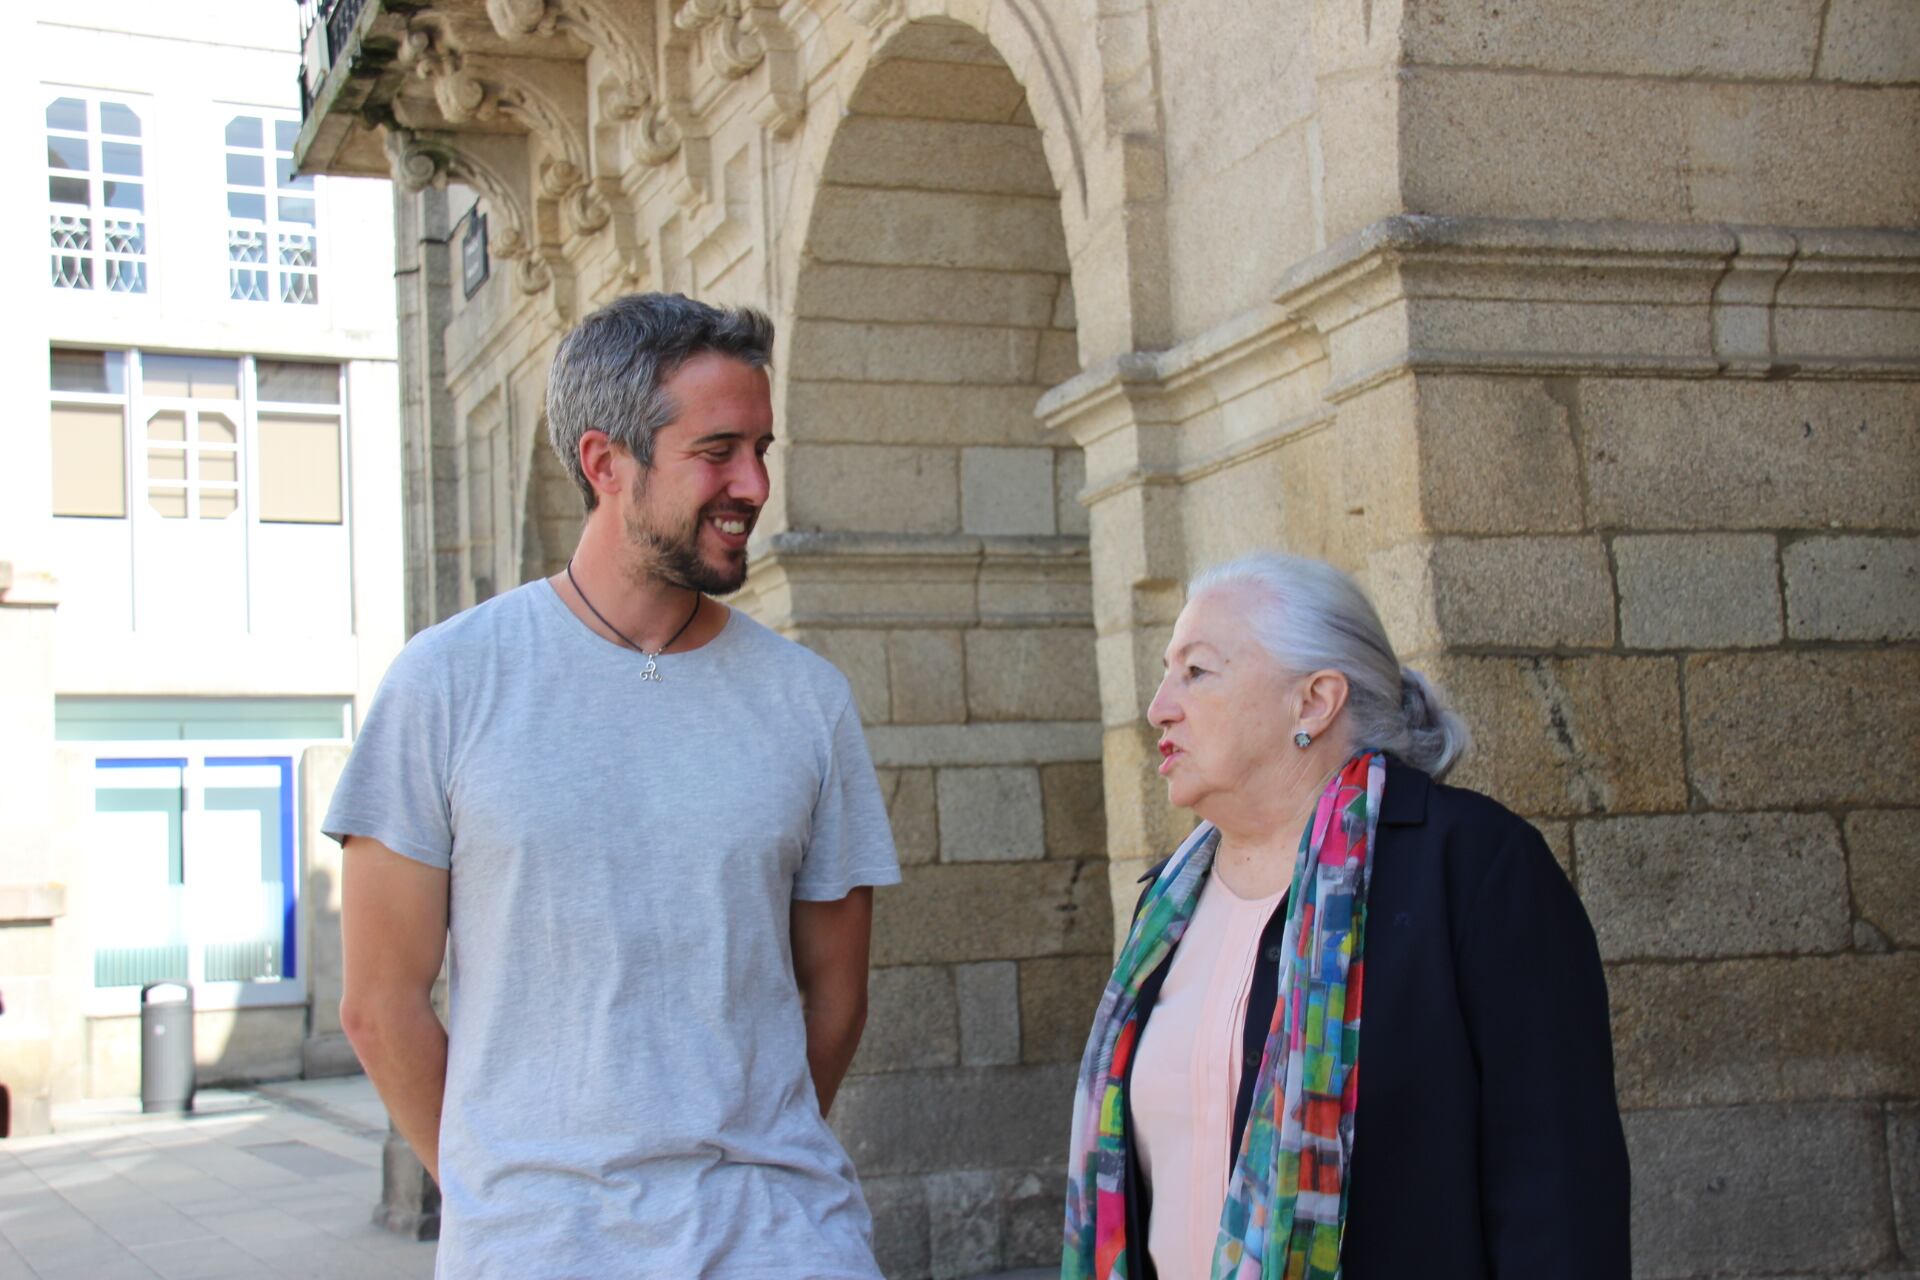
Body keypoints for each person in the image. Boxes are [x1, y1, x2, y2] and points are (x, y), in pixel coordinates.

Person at [328, 293, 900, 1279]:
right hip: (540, 1247)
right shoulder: (447, 681)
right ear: (605, 462)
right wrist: (506, 1192)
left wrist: (750, 1166)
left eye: (764, 446)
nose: (754, 482)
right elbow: (380, 1003)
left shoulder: (809, 700)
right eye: (717, 450)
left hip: (784, 1239)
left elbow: (835, 996)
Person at [1062, 552, 1630, 1279]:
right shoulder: (1167, 908)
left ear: (1314, 701)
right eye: (1168, 673)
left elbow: (1559, 1190)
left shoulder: (1474, 870)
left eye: (1196, 672)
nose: (1159, 708)